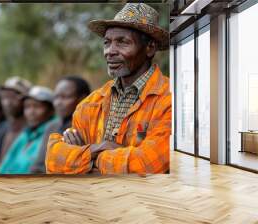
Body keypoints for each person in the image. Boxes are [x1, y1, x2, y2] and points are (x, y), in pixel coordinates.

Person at [46, 3, 171, 175]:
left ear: (150, 48)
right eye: (107, 43)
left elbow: (148, 164)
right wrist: (102, 148)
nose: (109, 52)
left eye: (122, 42)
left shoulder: (169, 99)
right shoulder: (92, 102)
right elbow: (53, 159)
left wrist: (84, 157)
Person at [30, 76, 91, 173]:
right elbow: (39, 165)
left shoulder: (90, 127)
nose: (58, 102)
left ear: (83, 99)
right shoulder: (52, 126)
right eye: (56, 97)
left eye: (65, 97)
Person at [0, 86, 56, 174]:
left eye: (37, 107)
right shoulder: (25, 134)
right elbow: (5, 164)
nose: (31, 112)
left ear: (51, 110)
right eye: (27, 107)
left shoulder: (53, 133)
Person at [0, 77, 32, 173]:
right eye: (4, 97)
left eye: (13, 97)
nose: (7, 102)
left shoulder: (32, 131)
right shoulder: (4, 128)